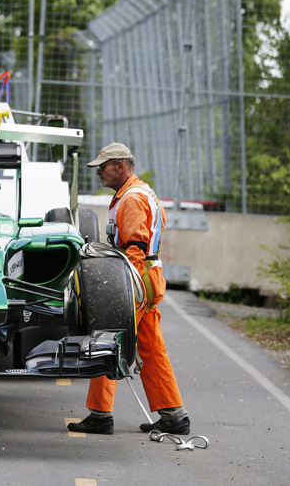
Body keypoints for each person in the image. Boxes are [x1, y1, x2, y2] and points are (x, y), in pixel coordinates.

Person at [67, 142, 190, 435]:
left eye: (103, 167)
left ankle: (99, 414)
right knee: (150, 347)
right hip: (149, 279)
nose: (99, 174)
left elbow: (135, 247)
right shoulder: (141, 192)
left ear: (119, 167)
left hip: (136, 279)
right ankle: (174, 415)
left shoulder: (132, 199)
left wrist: (120, 290)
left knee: (106, 337)